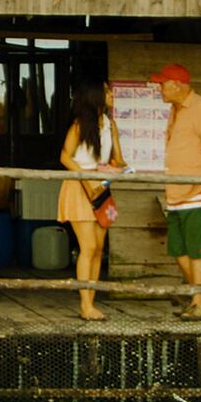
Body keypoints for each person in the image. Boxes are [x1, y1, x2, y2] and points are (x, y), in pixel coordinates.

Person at [152, 63, 201, 319]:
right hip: (177, 193)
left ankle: (199, 305)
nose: (159, 87)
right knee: (179, 250)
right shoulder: (176, 110)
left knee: (197, 250)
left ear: (177, 85)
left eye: (162, 83)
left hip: (197, 191)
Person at [58, 78, 126, 321]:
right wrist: (86, 178)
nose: (111, 95)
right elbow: (65, 157)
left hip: (101, 188)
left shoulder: (110, 124)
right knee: (87, 247)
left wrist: (115, 168)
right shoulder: (79, 125)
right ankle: (85, 305)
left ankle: (91, 302)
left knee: (98, 248)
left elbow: (119, 158)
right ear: (96, 95)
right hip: (80, 187)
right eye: (107, 91)